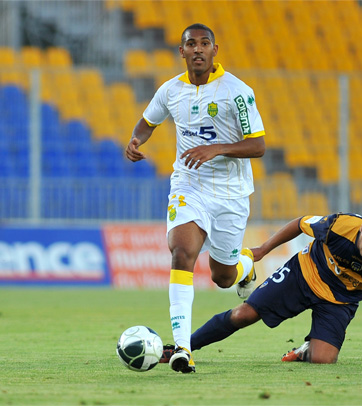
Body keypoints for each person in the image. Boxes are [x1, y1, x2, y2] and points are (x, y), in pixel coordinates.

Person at [125, 23, 266, 373]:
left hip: (231, 194)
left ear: (215, 50)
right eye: (191, 44)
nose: (198, 49)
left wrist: (216, 148)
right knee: (181, 253)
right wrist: (136, 140)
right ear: (182, 51)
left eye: (205, 43)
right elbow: (147, 122)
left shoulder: (237, 91)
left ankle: (246, 266)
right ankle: (183, 348)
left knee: (223, 277)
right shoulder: (171, 90)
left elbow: (258, 145)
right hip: (189, 185)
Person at [188, 207, 362, 364]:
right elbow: (300, 223)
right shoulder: (340, 225)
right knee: (243, 315)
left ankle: (305, 350)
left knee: (323, 360)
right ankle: (184, 347)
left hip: (340, 300)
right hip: (304, 273)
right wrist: (262, 249)